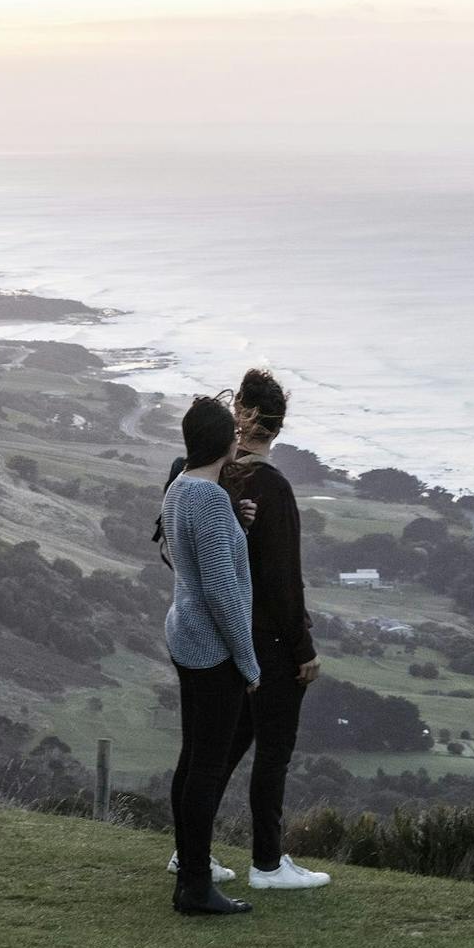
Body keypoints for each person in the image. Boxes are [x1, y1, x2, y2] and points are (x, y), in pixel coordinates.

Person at [215, 368, 330, 891]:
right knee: (273, 754)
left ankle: (191, 848)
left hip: (224, 634)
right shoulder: (272, 486)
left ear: (240, 413)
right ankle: (267, 864)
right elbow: (283, 578)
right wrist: (304, 648)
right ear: (274, 423)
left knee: (221, 751)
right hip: (271, 641)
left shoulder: (214, 475)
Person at [161, 394, 259, 916]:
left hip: (185, 636)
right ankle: (196, 886)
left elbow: (197, 557)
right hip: (212, 650)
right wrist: (248, 663)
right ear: (226, 443)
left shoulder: (180, 486)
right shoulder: (211, 499)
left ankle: (190, 878)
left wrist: (236, 527)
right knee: (206, 767)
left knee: (191, 761)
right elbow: (223, 591)